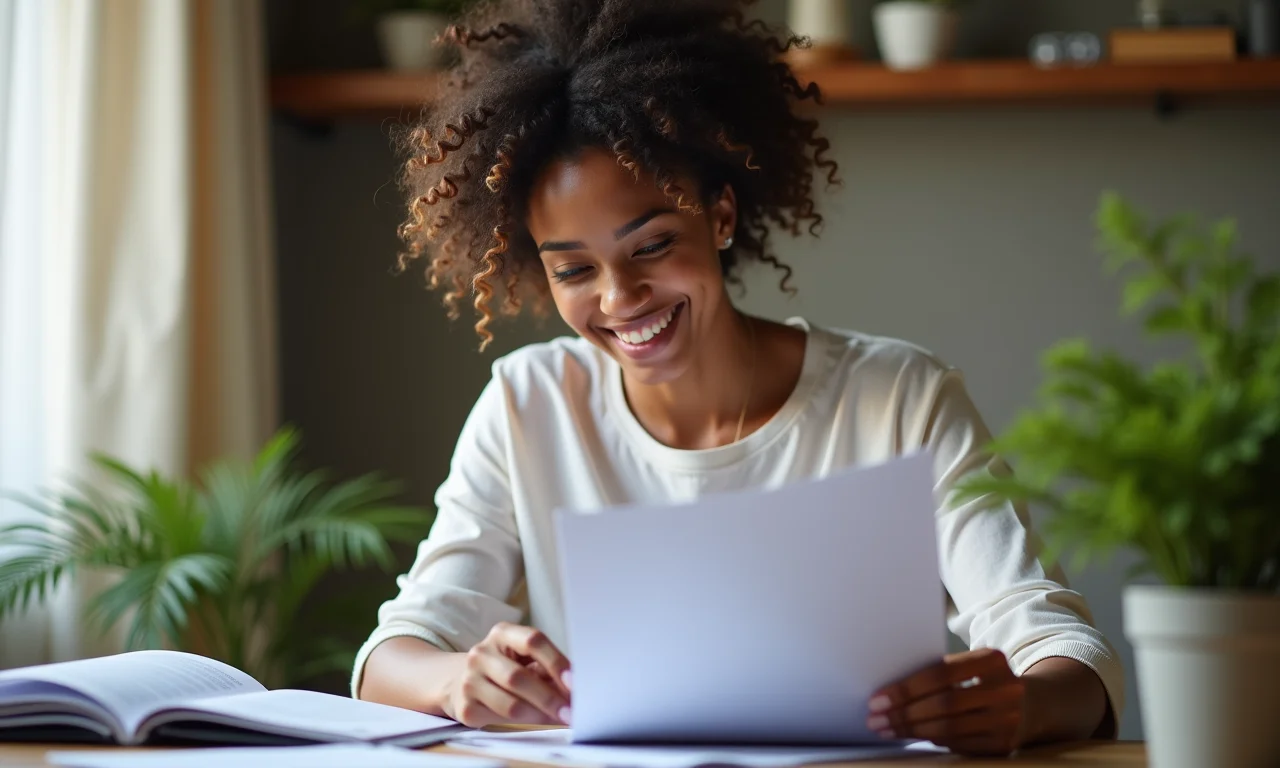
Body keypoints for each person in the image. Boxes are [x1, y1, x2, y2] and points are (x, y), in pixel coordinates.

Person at [353, 0, 1124, 756]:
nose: (619, 300)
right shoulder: (528, 406)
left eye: (652, 246)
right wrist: (459, 679)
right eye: (576, 269)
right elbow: (393, 657)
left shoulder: (900, 398)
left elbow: (1065, 651)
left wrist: (1021, 706)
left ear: (720, 216)